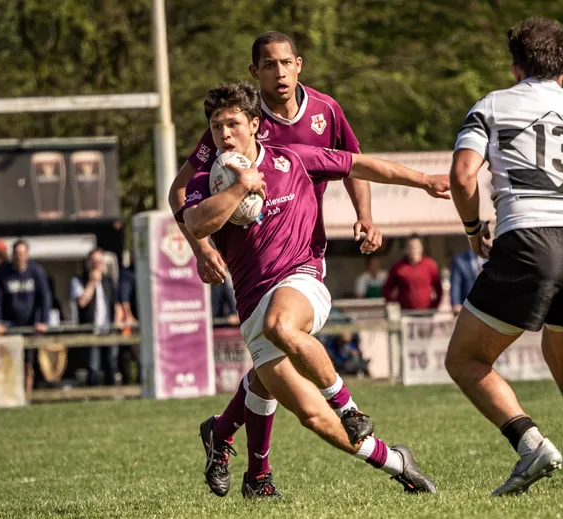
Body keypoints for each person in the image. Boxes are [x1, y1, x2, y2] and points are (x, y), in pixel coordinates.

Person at [177, 82, 448, 497]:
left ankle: (349, 406)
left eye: (233, 123)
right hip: (252, 306)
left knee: (282, 324)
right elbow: (196, 224)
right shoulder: (205, 179)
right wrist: (239, 187)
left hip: (301, 280)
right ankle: (396, 462)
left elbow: (361, 165)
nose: (224, 134)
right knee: (311, 415)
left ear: (254, 125)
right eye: (216, 126)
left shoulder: (292, 158)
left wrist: (424, 180)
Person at [168, 32, 385, 498]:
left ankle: (241, 454)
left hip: (303, 250)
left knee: (277, 347)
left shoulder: (325, 111)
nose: (279, 72)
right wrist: (203, 249)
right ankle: (243, 457)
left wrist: (365, 216)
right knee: (272, 362)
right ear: (255, 73)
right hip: (252, 262)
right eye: (269, 65)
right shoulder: (233, 126)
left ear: (299, 65)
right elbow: (180, 192)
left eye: (285, 63)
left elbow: (354, 164)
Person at [444, 17, 563, 495]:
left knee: (465, 359)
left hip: (528, 239)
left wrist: (473, 230)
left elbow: (463, 176)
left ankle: (532, 446)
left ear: (515, 68)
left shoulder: (492, 106)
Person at [0, 240, 51, 392]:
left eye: (23, 253)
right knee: (8, 362)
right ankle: (10, 395)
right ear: (12, 254)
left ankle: (26, 395)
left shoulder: (36, 271)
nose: (20, 256)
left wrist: (43, 321)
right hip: (9, 325)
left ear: (27, 255)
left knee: (28, 363)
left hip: (30, 325)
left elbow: (45, 297)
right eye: (17, 253)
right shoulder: (3, 272)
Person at [72, 248, 123, 386]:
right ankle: (93, 395)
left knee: (112, 363)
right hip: (91, 330)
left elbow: (116, 304)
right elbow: (82, 302)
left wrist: (118, 323)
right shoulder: (78, 280)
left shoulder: (109, 281)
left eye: (100, 262)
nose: (97, 265)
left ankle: (113, 394)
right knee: (93, 365)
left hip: (109, 329)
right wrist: (92, 282)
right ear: (88, 263)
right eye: (94, 262)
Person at [382, 235, 442, 311]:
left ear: (421, 248)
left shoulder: (430, 265)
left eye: (416, 247)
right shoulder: (398, 267)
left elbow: (438, 289)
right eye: (410, 247)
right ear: (406, 249)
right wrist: (394, 302)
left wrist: (434, 306)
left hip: (426, 312)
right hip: (405, 313)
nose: (413, 250)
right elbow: (387, 289)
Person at [449, 249, 484, 316]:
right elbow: (456, 283)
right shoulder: (459, 260)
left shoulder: (491, 258)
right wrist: (455, 303)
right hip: (468, 307)